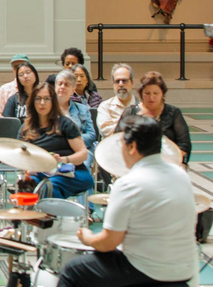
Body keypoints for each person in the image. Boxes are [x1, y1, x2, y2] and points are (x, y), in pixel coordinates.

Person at [59, 115, 196, 287]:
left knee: (73, 270)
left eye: (122, 143)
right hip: (184, 269)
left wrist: (86, 237)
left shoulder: (129, 184)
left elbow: (108, 243)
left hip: (147, 270)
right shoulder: (180, 175)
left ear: (132, 147)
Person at [17, 83, 93, 199]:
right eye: (38, 99)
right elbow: (20, 158)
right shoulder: (25, 128)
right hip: (40, 172)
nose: (42, 103)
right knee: (27, 186)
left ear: (53, 101)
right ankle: (36, 216)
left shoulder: (65, 124)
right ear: (32, 102)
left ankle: (50, 216)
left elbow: (83, 154)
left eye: (47, 99)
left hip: (72, 172)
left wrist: (62, 160)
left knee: (49, 186)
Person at [117, 71, 191, 165]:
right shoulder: (130, 112)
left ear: (162, 94)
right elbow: (118, 139)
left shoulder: (174, 113)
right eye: (147, 93)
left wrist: (171, 160)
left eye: (156, 93)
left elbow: (184, 145)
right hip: (136, 163)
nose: (151, 97)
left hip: (169, 164)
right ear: (141, 93)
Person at [54, 70, 95, 168]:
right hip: (55, 150)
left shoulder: (83, 109)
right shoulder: (47, 110)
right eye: (60, 84)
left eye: (67, 84)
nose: (62, 87)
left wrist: (72, 141)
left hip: (80, 150)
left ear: (73, 90)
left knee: (82, 167)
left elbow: (91, 134)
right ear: (55, 87)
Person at [97, 63, 139, 138]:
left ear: (132, 82)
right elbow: (106, 132)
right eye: (117, 81)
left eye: (124, 81)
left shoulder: (141, 106)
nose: (120, 84)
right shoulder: (105, 106)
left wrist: (115, 124)